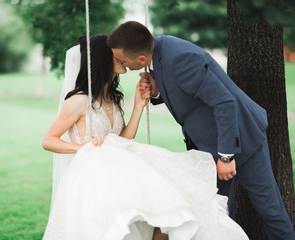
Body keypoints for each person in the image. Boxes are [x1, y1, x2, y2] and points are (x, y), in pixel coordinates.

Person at [41, 34, 249, 240]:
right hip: (96, 176)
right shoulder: (79, 101)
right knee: (122, 226)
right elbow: (49, 140)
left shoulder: (112, 98)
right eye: (116, 55)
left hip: (119, 169)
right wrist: (83, 147)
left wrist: (139, 106)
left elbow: (122, 139)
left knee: (170, 212)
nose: (122, 58)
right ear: (104, 59)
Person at [107, 21, 295, 240]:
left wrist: (226, 156)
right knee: (216, 214)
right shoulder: (159, 52)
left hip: (242, 139)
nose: (121, 64)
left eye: (122, 60)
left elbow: (225, 102)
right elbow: (185, 92)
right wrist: (157, 91)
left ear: (140, 58)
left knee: (269, 210)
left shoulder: (179, 59)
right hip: (207, 149)